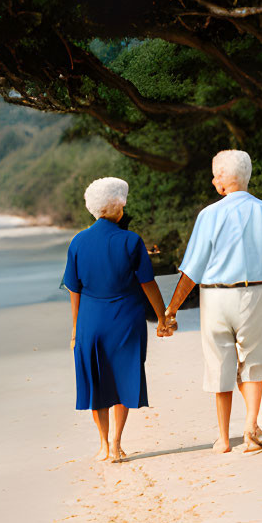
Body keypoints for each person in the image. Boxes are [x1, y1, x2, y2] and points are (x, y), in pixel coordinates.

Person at [164, 150, 262, 453]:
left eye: (215, 174)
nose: (213, 179)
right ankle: (250, 427)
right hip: (257, 292)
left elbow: (191, 270)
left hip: (217, 295)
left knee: (219, 364)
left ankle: (222, 438)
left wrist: (171, 308)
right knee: (254, 361)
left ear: (222, 180)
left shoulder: (209, 215)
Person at [64, 177, 173, 463]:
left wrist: (76, 328)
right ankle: (116, 443)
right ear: (117, 207)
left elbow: (74, 290)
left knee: (96, 381)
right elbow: (148, 283)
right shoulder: (131, 240)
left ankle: (102, 444)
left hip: (91, 320)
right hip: (126, 319)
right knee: (123, 377)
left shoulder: (78, 242)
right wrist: (163, 317)